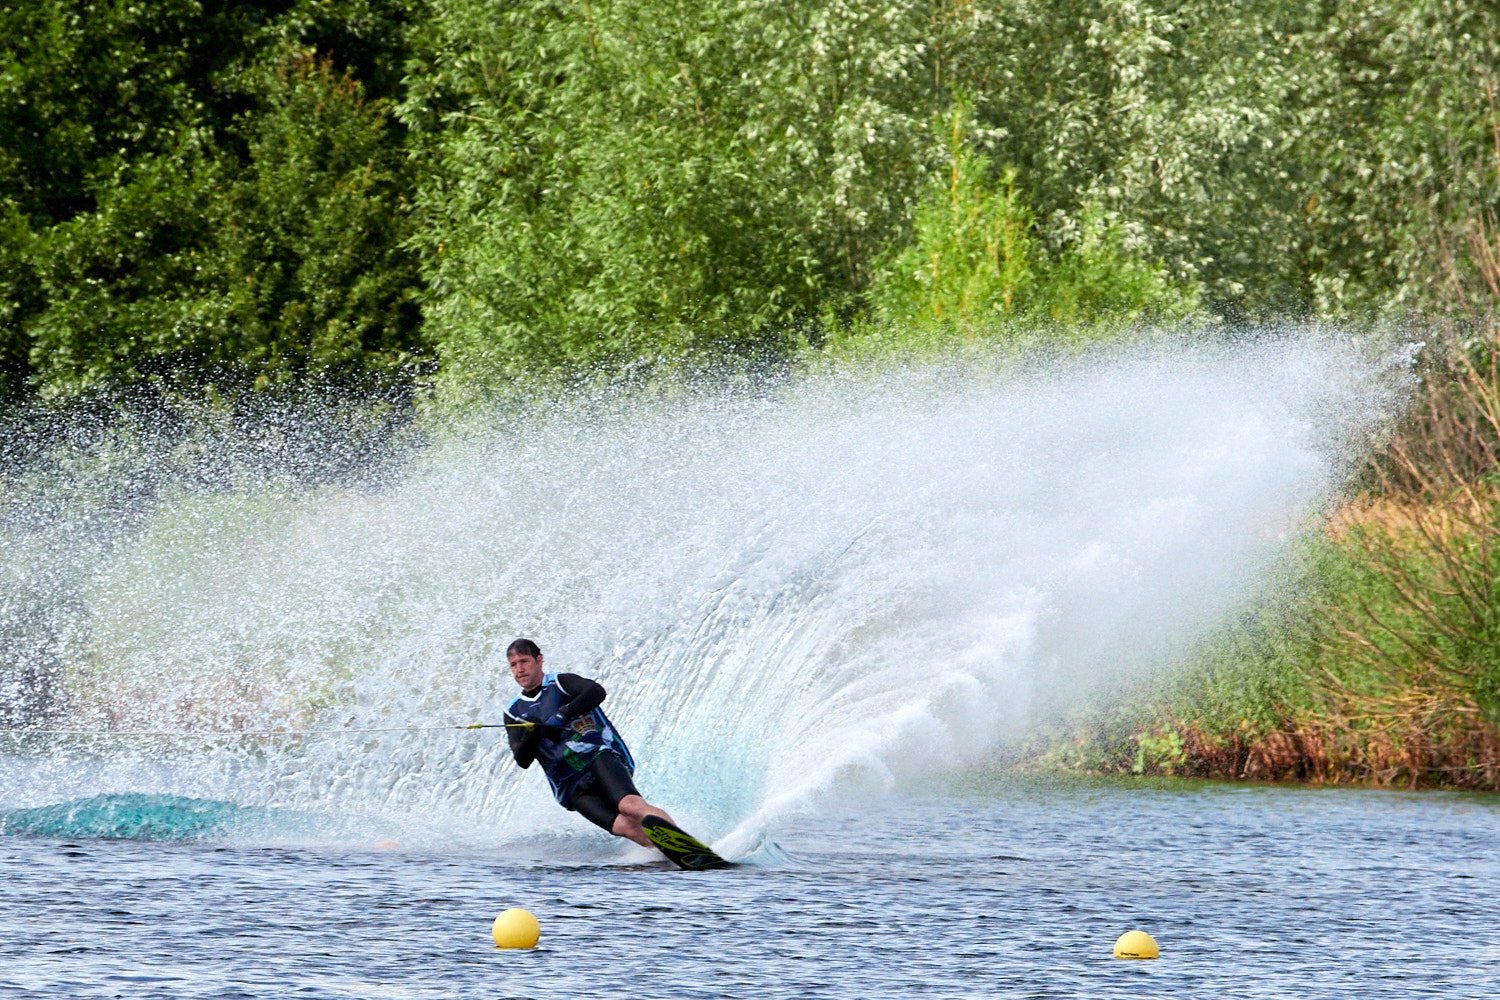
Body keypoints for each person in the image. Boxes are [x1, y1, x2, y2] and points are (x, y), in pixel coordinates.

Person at [503, 638, 677, 848]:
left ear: (539, 660)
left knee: (630, 807)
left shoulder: (561, 683)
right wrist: (531, 734)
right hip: (570, 786)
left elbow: (596, 692)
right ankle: (674, 854)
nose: (519, 669)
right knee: (625, 827)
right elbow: (522, 760)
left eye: (524, 661)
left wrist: (563, 714)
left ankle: (680, 840)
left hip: (598, 757)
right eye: (513, 665)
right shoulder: (513, 712)